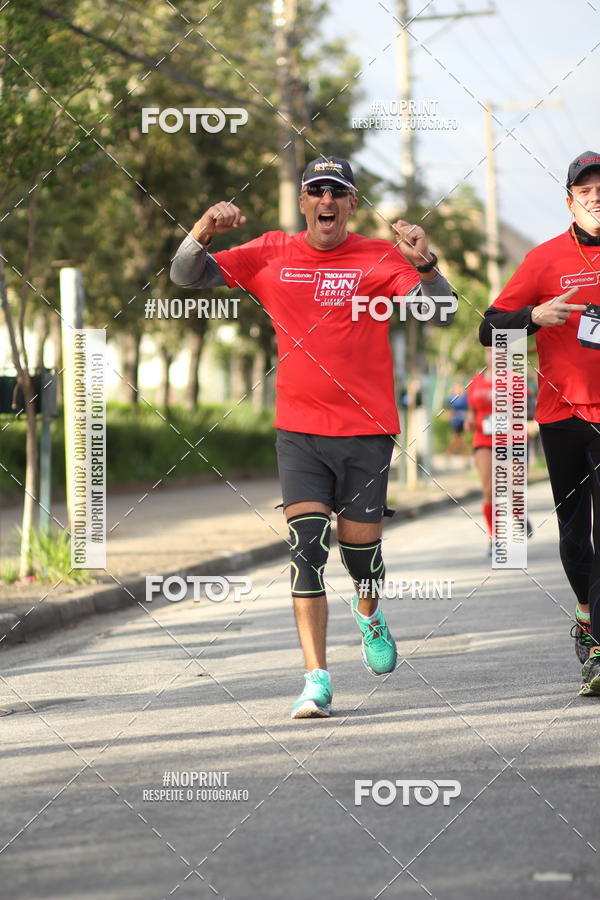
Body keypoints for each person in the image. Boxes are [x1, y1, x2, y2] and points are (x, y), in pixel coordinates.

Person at [170, 156, 456, 718]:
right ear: (304, 202)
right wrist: (202, 228)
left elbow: (442, 312)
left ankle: (369, 613)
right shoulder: (271, 252)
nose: (327, 199)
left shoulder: (379, 255)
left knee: (361, 553)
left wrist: (426, 263)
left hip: (367, 430)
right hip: (298, 429)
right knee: (306, 552)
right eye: (316, 190)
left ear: (351, 203)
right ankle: (316, 680)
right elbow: (185, 275)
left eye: (338, 191)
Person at [480, 150, 600, 696]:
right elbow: (489, 328)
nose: (597, 196)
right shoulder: (544, 258)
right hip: (562, 416)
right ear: (570, 199)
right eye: (587, 189)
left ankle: (597, 645)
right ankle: (584, 611)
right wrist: (532, 317)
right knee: (575, 537)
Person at [466, 348, 533, 555]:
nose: (493, 355)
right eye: (489, 351)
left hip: (513, 439)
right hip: (484, 440)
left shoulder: (516, 380)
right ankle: (494, 538)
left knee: (514, 488)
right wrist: (470, 421)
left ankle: (519, 515)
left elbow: (528, 408)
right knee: (489, 489)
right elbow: (472, 411)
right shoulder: (476, 381)